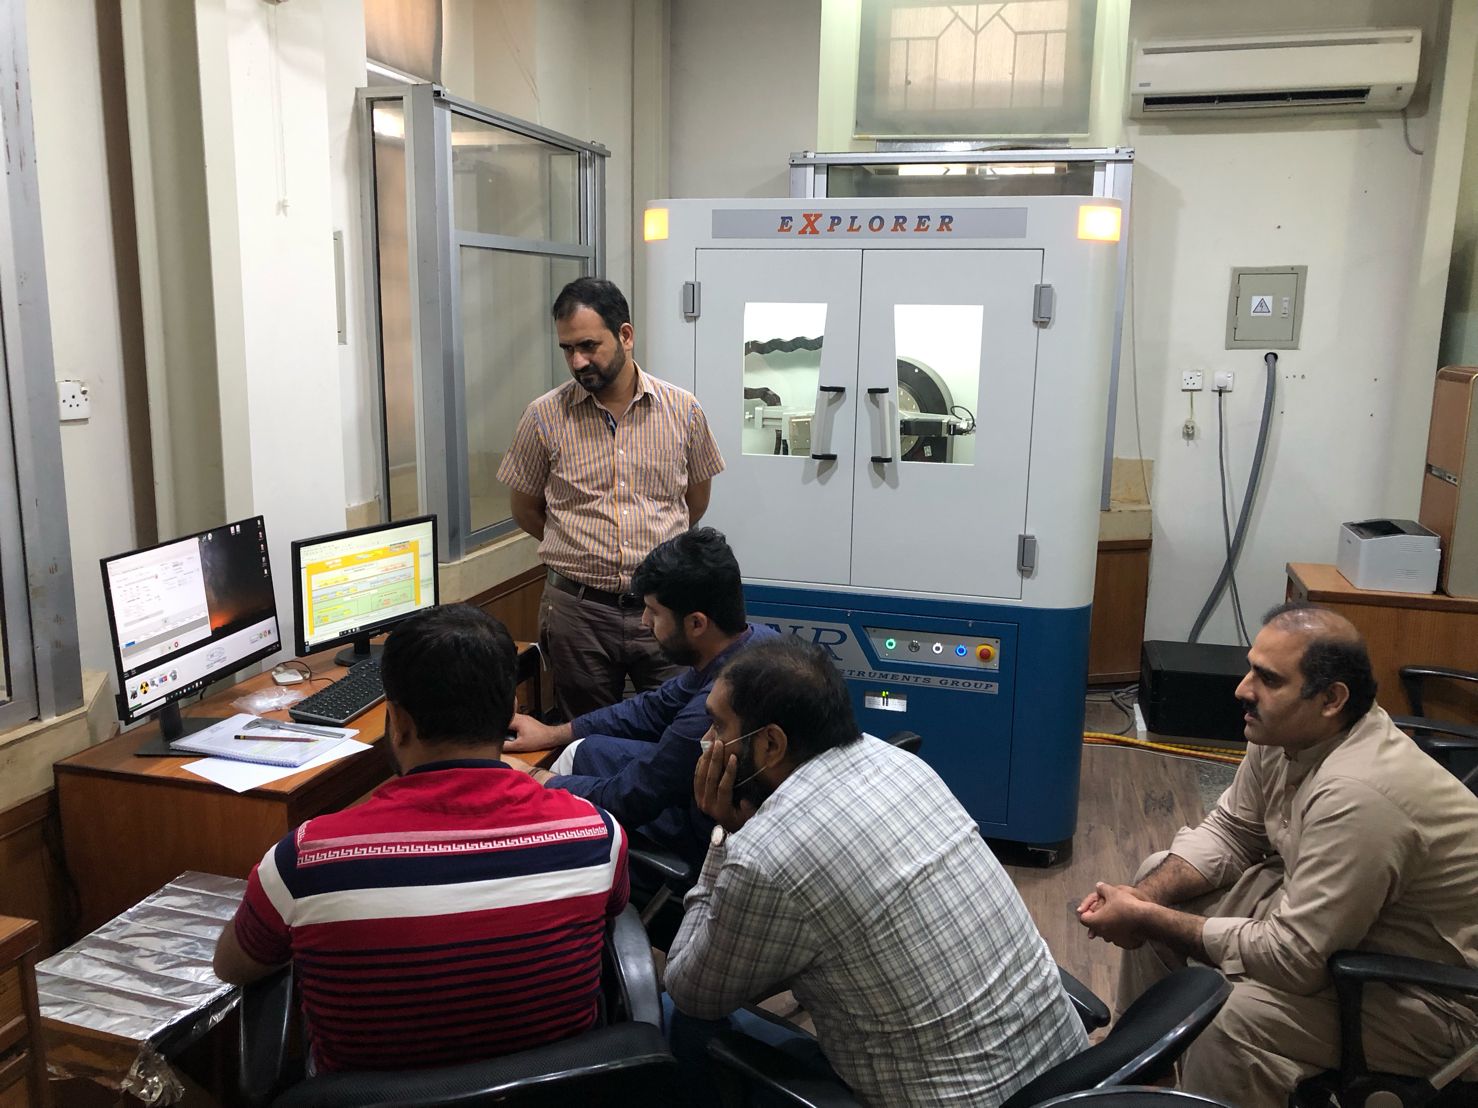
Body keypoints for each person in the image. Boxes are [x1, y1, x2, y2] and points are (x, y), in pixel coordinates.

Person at [1077, 601, 1478, 1106]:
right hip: (1342, 933)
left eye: (1268, 679)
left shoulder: (1360, 793)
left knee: (1229, 1020)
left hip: (1432, 995)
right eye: (1251, 669)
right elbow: (1234, 831)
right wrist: (1143, 899)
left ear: (1331, 699)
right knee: (1157, 877)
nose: (1242, 689)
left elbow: (1294, 958)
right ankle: (1140, 1075)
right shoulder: (1288, 733)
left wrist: (1146, 917)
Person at [664, 637, 1087, 1106]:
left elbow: (690, 991)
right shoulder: (901, 765)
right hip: (1066, 1080)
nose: (708, 741)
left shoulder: (765, 856)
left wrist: (724, 836)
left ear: (770, 743)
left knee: (675, 1019)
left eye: (718, 725)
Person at [212, 604, 629, 1074]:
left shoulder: (306, 860)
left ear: (398, 722)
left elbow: (232, 966)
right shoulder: (597, 833)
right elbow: (610, 921)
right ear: (512, 710)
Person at [498, 277, 725, 719]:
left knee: (676, 726)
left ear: (625, 335)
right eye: (567, 349)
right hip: (578, 613)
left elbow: (694, 503)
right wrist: (579, 545)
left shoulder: (683, 411)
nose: (578, 361)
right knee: (583, 732)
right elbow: (524, 509)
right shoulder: (543, 417)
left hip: (664, 607)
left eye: (588, 345)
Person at [504, 527, 777, 867]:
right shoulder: (755, 640)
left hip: (709, 829)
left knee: (565, 798)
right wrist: (554, 733)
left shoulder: (709, 713)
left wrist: (535, 778)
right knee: (583, 749)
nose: (645, 621)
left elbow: (630, 798)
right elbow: (653, 707)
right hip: (701, 791)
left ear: (696, 624)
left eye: (653, 612)